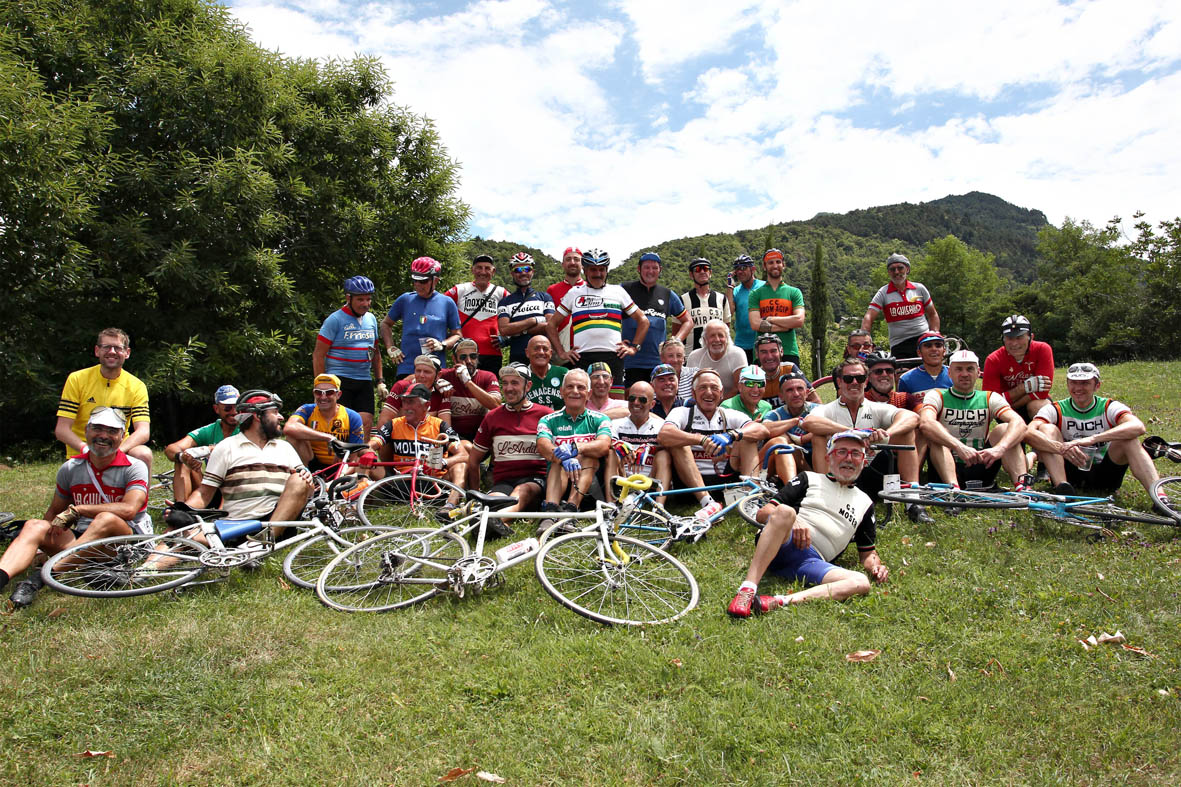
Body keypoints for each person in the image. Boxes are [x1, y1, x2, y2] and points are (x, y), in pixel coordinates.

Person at [1, 407, 151, 609]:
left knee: (105, 519)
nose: (103, 436)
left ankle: (37, 581)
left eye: (112, 431)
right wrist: (39, 543)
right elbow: (54, 512)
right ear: (87, 431)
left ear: (122, 436)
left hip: (123, 543)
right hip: (82, 538)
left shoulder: (134, 466)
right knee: (34, 526)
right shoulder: (71, 468)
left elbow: (129, 510)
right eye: (97, 428)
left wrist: (80, 509)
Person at [726, 431, 888, 617]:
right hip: (782, 542)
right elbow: (764, 514)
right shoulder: (809, 479)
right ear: (829, 458)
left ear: (864, 461)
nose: (848, 458)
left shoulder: (865, 503)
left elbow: (867, 553)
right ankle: (747, 589)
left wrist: (876, 566)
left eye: (856, 453)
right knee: (785, 511)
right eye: (841, 452)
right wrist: (795, 520)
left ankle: (779, 601)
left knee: (860, 582)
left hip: (811, 562)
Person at [801, 358, 928, 523]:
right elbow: (809, 422)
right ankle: (824, 497)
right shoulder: (827, 409)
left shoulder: (875, 407)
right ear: (839, 382)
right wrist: (852, 433)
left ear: (866, 381)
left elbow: (912, 417)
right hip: (841, 473)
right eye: (848, 379)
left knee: (906, 432)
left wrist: (886, 434)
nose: (854, 382)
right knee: (818, 434)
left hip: (873, 470)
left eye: (860, 378)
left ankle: (912, 502)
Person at [1025, 363, 1166, 505]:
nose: (1078, 388)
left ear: (1097, 386)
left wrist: (1093, 439)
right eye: (1073, 383)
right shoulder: (1055, 409)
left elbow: (1138, 426)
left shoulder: (1108, 406)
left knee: (1129, 439)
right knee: (1047, 429)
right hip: (1069, 472)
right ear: (1067, 384)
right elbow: (1029, 432)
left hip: (1105, 472)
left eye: (1085, 383)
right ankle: (1063, 490)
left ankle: (1160, 498)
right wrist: (1060, 448)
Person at [184, 390, 313, 536]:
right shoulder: (226, 447)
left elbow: (307, 492)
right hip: (235, 525)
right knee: (180, 535)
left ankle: (264, 540)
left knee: (299, 479)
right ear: (257, 416)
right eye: (275, 412)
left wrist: (307, 481)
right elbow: (204, 493)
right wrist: (182, 510)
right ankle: (153, 559)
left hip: (277, 522)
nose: (281, 417)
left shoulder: (285, 448)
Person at [919, 351, 1029, 491]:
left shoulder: (989, 397)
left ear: (978, 372)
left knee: (1004, 429)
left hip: (982, 463)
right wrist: (959, 447)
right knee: (936, 434)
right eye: (958, 369)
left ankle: (1023, 487)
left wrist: (999, 449)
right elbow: (926, 423)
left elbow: (1019, 423)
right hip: (946, 465)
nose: (964, 374)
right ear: (949, 373)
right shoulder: (936, 395)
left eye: (970, 369)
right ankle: (954, 490)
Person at [658, 369, 770, 508]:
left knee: (748, 438)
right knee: (678, 442)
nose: (709, 392)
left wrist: (731, 435)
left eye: (714, 388)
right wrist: (701, 440)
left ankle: (752, 499)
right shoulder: (682, 412)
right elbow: (664, 434)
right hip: (691, 486)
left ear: (722, 394)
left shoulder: (729, 414)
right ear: (693, 393)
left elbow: (762, 430)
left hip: (725, 481)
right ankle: (707, 502)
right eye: (703, 388)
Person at [546, 248, 649, 395]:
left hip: (613, 356)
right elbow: (551, 325)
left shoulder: (617, 291)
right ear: (585, 271)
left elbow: (643, 321)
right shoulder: (574, 293)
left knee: (617, 406)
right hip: (582, 356)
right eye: (593, 269)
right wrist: (562, 353)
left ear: (607, 271)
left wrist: (634, 347)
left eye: (601, 269)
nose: (598, 274)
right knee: (583, 404)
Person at [55, 328, 151, 470]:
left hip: (119, 448)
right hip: (83, 450)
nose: (112, 351)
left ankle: (142, 493)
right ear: (97, 351)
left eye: (118, 348)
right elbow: (61, 429)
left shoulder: (137, 386)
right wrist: (86, 450)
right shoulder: (77, 379)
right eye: (106, 347)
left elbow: (143, 431)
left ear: (127, 353)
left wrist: (117, 452)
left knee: (144, 454)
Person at [467, 364, 554, 521]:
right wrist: (475, 494)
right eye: (505, 383)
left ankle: (492, 521)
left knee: (523, 490)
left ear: (528, 386)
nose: (508, 388)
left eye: (515, 383)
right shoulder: (492, 417)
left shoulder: (546, 415)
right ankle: (494, 520)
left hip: (535, 481)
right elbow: (473, 461)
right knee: (494, 500)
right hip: (503, 482)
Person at [536, 370, 613, 518]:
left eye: (581, 387)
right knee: (558, 457)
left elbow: (604, 445)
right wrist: (563, 455)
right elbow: (543, 445)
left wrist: (574, 448)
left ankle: (571, 509)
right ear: (562, 392)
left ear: (589, 394)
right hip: (558, 482)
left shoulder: (601, 419)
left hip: (592, 486)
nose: (575, 392)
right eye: (570, 387)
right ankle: (550, 512)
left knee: (589, 456)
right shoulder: (548, 420)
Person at [368, 384, 467, 496]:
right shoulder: (394, 424)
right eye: (404, 402)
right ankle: (356, 500)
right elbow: (372, 444)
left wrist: (444, 462)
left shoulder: (440, 425)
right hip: (401, 482)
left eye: (411, 402)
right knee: (367, 462)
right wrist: (368, 452)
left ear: (426, 405)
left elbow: (464, 455)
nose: (406, 407)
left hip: (435, 483)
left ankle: (449, 506)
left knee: (460, 466)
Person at [314, 275, 383, 436]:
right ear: (348, 298)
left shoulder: (371, 319)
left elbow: (376, 352)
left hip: (364, 379)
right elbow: (318, 355)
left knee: (365, 422)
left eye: (368, 299)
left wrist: (380, 381)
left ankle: (360, 459)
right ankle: (340, 459)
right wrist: (321, 385)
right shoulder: (335, 320)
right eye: (360, 300)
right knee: (341, 425)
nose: (365, 304)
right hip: (340, 379)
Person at [381, 256, 461, 376]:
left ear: (435, 280)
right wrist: (390, 347)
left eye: (423, 281)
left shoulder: (447, 302)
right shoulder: (405, 299)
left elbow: (457, 335)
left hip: (435, 369)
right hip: (407, 368)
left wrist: (442, 344)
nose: (417, 284)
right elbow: (385, 324)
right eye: (415, 280)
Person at [621, 252, 690, 387]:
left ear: (660, 270)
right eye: (646, 267)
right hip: (630, 362)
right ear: (639, 269)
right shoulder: (624, 289)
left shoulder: (667, 294)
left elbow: (688, 321)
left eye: (654, 268)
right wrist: (615, 341)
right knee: (633, 402)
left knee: (658, 402)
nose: (650, 271)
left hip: (658, 363)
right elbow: (609, 315)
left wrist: (675, 341)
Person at [164, 385, 240, 502]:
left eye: (237, 408)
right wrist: (183, 457)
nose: (234, 412)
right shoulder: (209, 430)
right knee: (182, 461)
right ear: (216, 409)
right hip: (211, 489)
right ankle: (181, 508)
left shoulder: (247, 428)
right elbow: (171, 449)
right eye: (228, 408)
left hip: (238, 486)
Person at [861, 253, 940, 358]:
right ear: (888, 272)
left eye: (900, 268)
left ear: (907, 269)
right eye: (892, 269)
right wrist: (865, 340)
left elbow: (933, 314)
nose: (896, 272)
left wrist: (934, 334)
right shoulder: (883, 292)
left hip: (923, 340)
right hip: (899, 344)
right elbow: (869, 317)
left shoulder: (919, 288)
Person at [283, 374, 366, 472]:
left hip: (341, 465)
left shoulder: (352, 416)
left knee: (365, 459)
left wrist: (341, 476)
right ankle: (305, 473)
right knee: (293, 435)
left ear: (338, 395)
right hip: (311, 462)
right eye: (318, 392)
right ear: (314, 394)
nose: (323, 397)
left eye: (329, 392)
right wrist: (329, 438)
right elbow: (289, 428)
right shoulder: (307, 409)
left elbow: (355, 458)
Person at [982, 315, 1055, 422]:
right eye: (1009, 338)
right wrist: (1024, 387)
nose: (1014, 343)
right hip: (1005, 411)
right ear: (1003, 339)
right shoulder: (993, 359)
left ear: (1031, 337)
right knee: (1007, 420)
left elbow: (1042, 392)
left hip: (1014, 404)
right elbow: (990, 401)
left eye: (1019, 337)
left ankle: (1045, 434)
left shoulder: (1042, 349)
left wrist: (1011, 403)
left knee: (1039, 406)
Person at [606, 382, 671, 503]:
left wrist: (650, 448)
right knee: (611, 454)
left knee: (664, 455)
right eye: (632, 398)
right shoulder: (616, 424)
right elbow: (604, 440)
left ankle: (658, 506)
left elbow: (671, 446)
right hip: (623, 479)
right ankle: (612, 505)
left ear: (652, 404)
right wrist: (618, 445)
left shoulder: (661, 425)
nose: (636, 402)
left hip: (651, 481)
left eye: (642, 400)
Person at [446, 254, 509, 373]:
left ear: (493, 271)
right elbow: (439, 307)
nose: (483, 272)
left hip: (492, 354)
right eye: (479, 268)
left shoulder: (501, 292)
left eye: (487, 268)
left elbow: (516, 315)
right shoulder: (460, 289)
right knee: (464, 390)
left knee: (490, 390)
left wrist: (507, 338)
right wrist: (448, 335)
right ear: (472, 270)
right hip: (465, 353)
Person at [747, 248, 806, 366]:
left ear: (783, 265)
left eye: (778, 262)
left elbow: (799, 320)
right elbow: (755, 324)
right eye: (771, 262)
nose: (775, 265)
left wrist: (769, 319)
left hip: (789, 350)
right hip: (762, 351)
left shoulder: (794, 292)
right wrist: (786, 326)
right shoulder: (755, 294)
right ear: (764, 266)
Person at [762, 371, 821, 483]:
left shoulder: (818, 409)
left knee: (820, 436)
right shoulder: (775, 414)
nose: (796, 394)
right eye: (789, 390)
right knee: (782, 439)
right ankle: (808, 482)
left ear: (807, 392)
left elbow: (826, 427)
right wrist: (795, 421)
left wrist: (803, 439)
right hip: (788, 458)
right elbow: (765, 429)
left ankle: (818, 481)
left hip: (816, 456)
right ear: (781, 396)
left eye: (800, 389)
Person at [497, 252, 554, 365]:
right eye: (518, 270)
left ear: (532, 271)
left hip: (542, 354)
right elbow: (504, 330)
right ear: (512, 273)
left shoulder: (544, 297)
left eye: (527, 268)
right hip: (517, 355)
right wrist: (532, 321)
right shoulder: (505, 301)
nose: (523, 273)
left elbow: (550, 325)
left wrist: (520, 331)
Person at [439, 339, 501, 441]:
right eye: (463, 357)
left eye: (473, 356)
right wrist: (435, 383)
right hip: (454, 437)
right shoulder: (445, 375)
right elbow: (417, 376)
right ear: (454, 359)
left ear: (477, 357)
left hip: (481, 436)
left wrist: (468, 382)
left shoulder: (488, 376)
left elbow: (496, 405)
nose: (468, 361)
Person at [378, 355, 452, 429]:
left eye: (427, 372)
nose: (421, 375)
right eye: (418, 371)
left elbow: (446, 429)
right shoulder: (401, 386)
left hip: (428, 438)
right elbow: (383, 423)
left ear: (438, 375)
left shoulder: (443, 392)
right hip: (400, 437)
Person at [680, 258, 731, 354]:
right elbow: (677, 330)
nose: (702, 271)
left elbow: (726, 330)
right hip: (690, 357)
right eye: (698, 269)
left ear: (710, 272)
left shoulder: (722, 299)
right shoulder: (682, 300)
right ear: (691, 275)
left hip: (717, 356)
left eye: (706, 268)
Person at [752, 333, 816, 408]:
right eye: (764, 352)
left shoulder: (790, 369)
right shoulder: (753, 376)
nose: (769, 356)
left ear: (781, 352)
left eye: (773, 351)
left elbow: (815, 401)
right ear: (757, 355)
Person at [686, 320, 747, 398]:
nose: (717, 339)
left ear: (727, 338)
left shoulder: (737, 354)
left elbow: (738, 387)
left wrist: (718, 404)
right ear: (705, 339)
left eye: (721, 335)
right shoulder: (694, 356)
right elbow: (690, 387)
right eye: (712, 336)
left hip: (730, 402)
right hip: (702, 401)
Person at [545, 246, 584, 355]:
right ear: (562, 264)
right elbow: (550, 323)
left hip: (585, 348)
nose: (572, 262)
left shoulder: (590, 288)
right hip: (562, 349)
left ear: (582, 264)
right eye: (568, 259)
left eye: (576, 259)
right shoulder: (552, 289)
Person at [727, 255, 764, 362]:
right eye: (737, 269)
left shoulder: (764, 286)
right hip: (741, 344)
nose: (740, 272)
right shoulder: (736, 291)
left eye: (743, 268)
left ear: (753, 269)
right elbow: (729, 312)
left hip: (761, 341)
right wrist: (730, 287)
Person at [523, 335, 568, 410]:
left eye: (545, 349)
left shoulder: (564, 374)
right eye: (536, 348)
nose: (541, 352)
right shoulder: (520, 376)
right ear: (527, 352)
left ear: (550, 353)